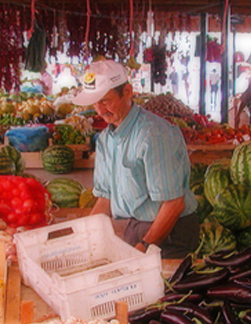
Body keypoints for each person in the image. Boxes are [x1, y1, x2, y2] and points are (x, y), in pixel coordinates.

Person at [75, 59, 199, 259]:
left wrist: (144, 246)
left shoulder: (154, 135)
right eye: (94, 102)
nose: (99, 110)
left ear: (127, 92)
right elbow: (105, 199)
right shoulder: (106, 139)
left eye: (105, 101)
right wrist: (84, 239)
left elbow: (174, 204)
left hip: (171, 233)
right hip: (137, 225)